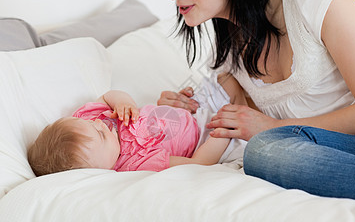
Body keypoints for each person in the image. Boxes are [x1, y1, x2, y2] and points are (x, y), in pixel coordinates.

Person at [152, 0, 355, 204]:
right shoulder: (228, 57)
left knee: (267, 144)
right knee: (265, 152)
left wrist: (273, 126)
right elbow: (233, 125)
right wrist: (180, 111)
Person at [28, 74, 247, 177]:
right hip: (206, 137)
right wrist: (222, 132)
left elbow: (108, 96)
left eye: (90, 123)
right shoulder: (135, 164)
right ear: (102, 170)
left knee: (228, 75)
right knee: (244, 130)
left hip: (193, 110)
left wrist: (124, 102)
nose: (100, 124)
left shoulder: (91, 121)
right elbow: (199, 162)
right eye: (102, 136)